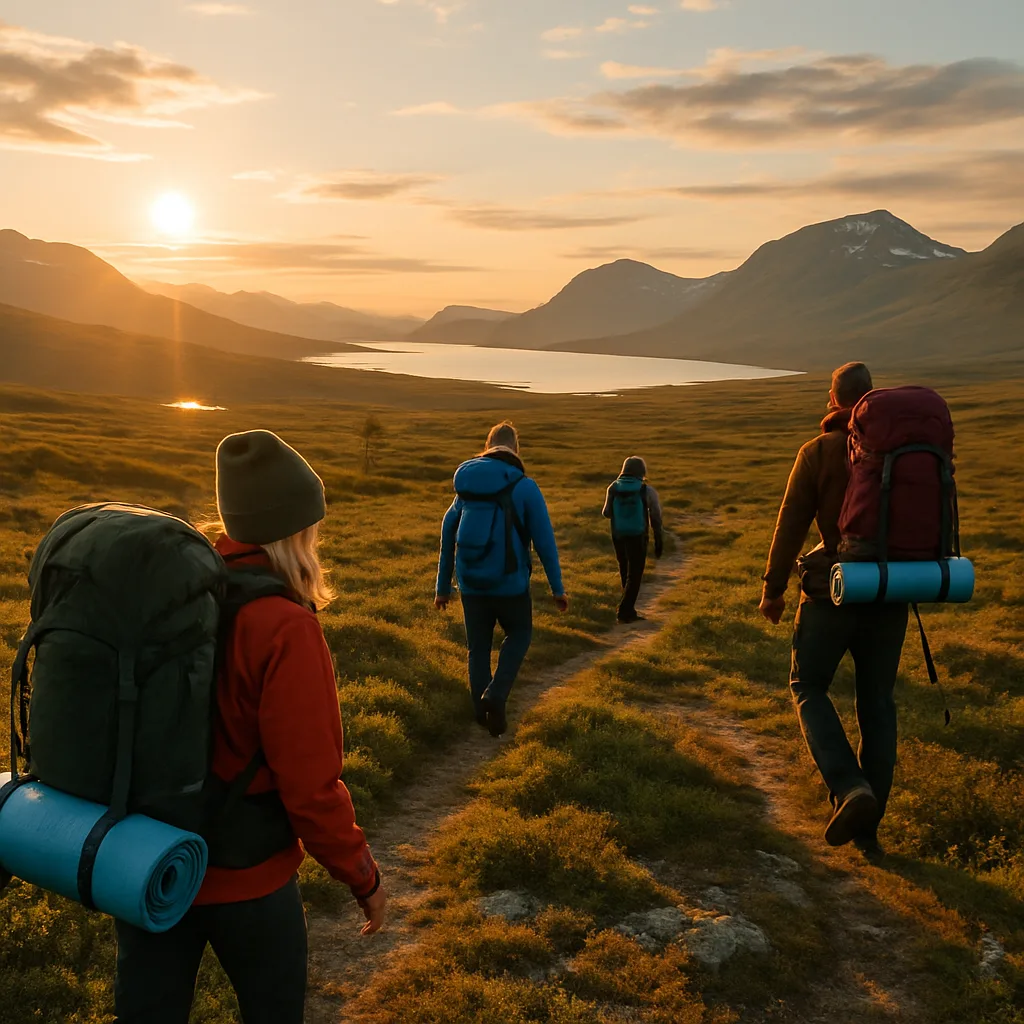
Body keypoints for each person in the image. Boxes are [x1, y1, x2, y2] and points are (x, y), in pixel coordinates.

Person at [114, 430, 386, 1024]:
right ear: (297, 530)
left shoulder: (169, 597)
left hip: (147, 864)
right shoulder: (285, 626)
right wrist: (360, 875)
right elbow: (310, 787)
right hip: (249, 878)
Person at [759, 363, 909, 858]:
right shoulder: (899, 452)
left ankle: (850, 789)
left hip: (832, 592)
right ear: (870, 399)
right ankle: (868, 832)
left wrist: (773, 588)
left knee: (807, 685)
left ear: (834, 398)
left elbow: (790, 520)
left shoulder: (820, 450)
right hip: (890, 593)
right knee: (877, 704)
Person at [435, 421, 568, 738]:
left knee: (477, 648)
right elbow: (545, 542)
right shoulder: (524, 486)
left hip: (470, 584)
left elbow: (447, 537)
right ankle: (496, 694)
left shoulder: (465, 487)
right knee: (519, 635)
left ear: (487, 445)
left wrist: (442, 588)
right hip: (510, 584)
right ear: (515, 449)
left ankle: (483, 717)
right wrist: (557, 588)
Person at [602, 456, 664, 623]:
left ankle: (627, 608)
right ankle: (625, 611)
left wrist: (621, 511)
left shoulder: (613, 488)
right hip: (638, 536)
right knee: (635, 574)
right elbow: (655, 516)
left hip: (618, 534)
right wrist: (658, 538)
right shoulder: (647, 490)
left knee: (625, 569)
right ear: (642, 471)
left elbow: (606, 513)